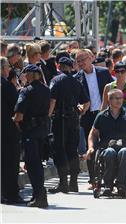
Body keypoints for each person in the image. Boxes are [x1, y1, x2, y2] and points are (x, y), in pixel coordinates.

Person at [84, 89, 126, 196]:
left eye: (121, 98)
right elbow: (93, 133)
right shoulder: (101, 116)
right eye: (116, 98)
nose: (119, 100)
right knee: (109, 152)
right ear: (109, 100)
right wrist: (90, 147)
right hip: (106, 146)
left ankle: (122, 185)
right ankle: (108, 185)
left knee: (124, 152)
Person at [47, 57, 90, 194]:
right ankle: (73, 183)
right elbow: (86, 102)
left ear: (59, 66)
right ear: (71, 67)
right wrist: (81, 111)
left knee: (59, 150)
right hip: (74, 119)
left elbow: (52, 100)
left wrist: (47, 115)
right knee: (72, 150)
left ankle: (63, 183)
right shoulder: (77, 82)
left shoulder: (56, 80)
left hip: (60, 119)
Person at [74, 49, 114, 189]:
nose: (81, 63)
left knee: (106, 145)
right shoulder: (76, 78)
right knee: (91, 147)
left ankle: (107, 177)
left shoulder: (103, 73)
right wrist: (79, 106)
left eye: (83, 59)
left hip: (104, 113)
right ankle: (93, 179)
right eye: (78, 61)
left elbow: (113, 90)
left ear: (90, 58)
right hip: (87, 116)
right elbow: (75, 98)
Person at [13, 64, 50, 208]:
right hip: (42, 131)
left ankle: (40, 196)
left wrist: (17, 125)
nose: (25, 76)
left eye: (26, 74)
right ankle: (38, 195)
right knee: (38, 164)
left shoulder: (26, 91)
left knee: (33, 165)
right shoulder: (46, 90)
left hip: (30, 131)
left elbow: (18, 116)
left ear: (29, 75)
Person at [1, 57, 24, 204]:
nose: (9, 70)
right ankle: (11, 193)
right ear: (3, 68)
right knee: (10, 162)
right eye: (8, 67)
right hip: (8, 131)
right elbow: (18, 106)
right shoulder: (6, 86)